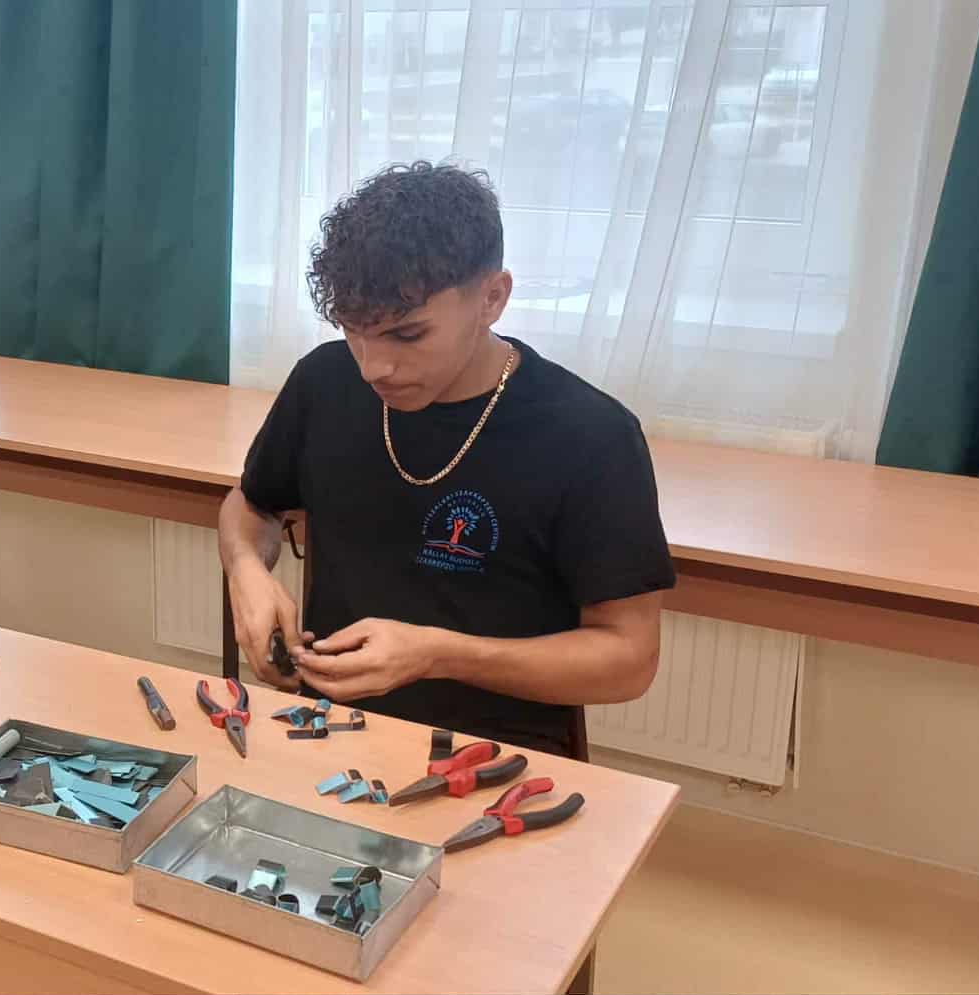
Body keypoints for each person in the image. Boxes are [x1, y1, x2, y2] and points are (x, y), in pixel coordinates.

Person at [220, 161, 676, 756]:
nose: (373, 367)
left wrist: (438, 655)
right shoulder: (323, 383)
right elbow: (252, 505)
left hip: (500, 757)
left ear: (492, 298)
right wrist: (247, 571)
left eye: (408, 335)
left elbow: (629, 659)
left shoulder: (591, 436)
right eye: (354, 331)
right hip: (332, 736)